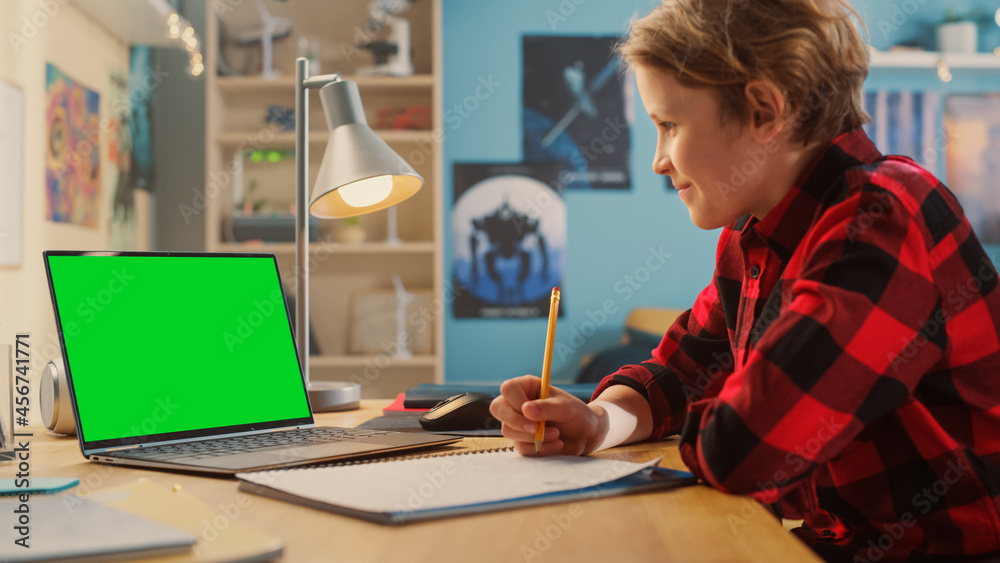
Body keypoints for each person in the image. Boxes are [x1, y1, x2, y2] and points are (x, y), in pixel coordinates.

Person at [489, 1, 1000, 560]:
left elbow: (746, 450)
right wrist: (597, 421)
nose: (659, 160)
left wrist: (713, 414)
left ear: (762, 110)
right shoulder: (752, 237)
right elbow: (683, 370)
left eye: (669, 126)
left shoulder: (881, 219)